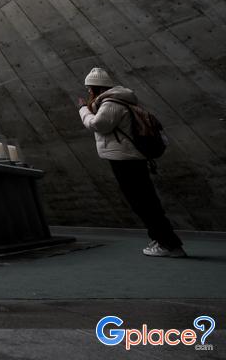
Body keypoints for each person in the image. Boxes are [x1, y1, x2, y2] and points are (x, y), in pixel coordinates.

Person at [77, 67, 185, 258]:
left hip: (125, 160)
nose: (88, 92)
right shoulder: (121, 100)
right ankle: (161, 239)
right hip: (130, 158)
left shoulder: (111, 103)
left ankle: (169, 245)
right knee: (145, 202)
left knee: (143, 203)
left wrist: (83, 109)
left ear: (96, 87)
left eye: (89, 88)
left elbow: (98, 125)